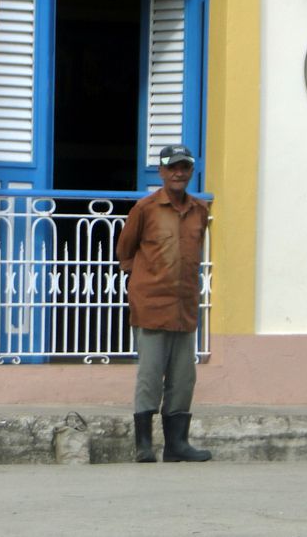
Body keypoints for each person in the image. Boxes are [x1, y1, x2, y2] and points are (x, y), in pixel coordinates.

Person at [116, 144, 212, 463]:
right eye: (172, 167)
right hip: (152, 305)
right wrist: (145, 282)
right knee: (150, 375)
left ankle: (176, 445)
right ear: (161, 171)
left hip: (184, 306)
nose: (178, 173)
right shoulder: (145, 208)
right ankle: (144, 445)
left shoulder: (200, 211)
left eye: (184, 167)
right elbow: (125, 252)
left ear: (191, 171)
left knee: (184, 377)